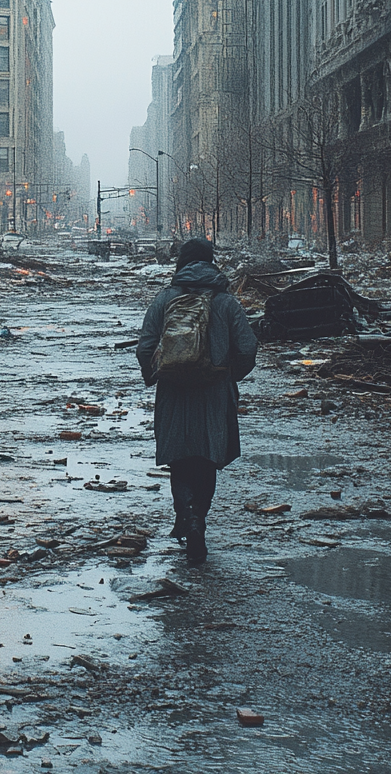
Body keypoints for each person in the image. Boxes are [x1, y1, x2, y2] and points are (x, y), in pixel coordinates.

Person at [136, 237, 258, 565]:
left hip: (174, 392)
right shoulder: (227, 302)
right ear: (211, 261)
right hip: (214, 393)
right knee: (207, 459)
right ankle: (198, 520)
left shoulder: (165, 299)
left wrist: (158, 375)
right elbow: (248, 348)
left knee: (179, 459)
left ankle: (184, 514)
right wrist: (229, 374)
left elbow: (145, 347)